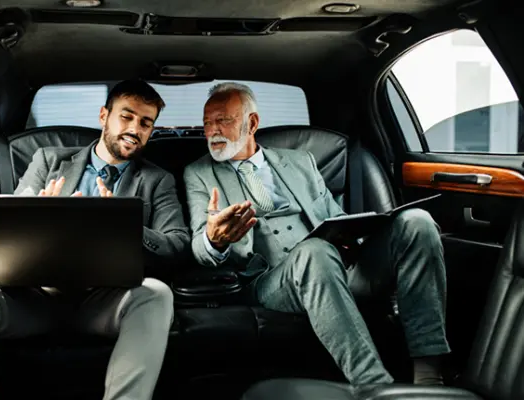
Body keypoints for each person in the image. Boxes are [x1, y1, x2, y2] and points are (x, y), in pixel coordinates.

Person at [183, 82, 450, 386]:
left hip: (337, 266)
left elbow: (335, 218)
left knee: (417, 222)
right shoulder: (199, 173)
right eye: (207, 122)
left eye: (223, 120)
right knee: (314, 251)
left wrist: (357, 234)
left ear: (252, 123)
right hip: (269, 281)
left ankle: (429, 376)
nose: (212, 131)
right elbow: (199, 244)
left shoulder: (300, 161)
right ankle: (375, 386)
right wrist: (215, 239)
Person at [0, 80, 190, 400]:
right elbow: (11, 229)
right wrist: (36, 213)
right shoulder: (48, 160)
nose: (135, 129)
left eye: (145, 122)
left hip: (104, 303)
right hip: (34, 299)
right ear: (103, 116)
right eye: (126, 117)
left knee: (157, 294)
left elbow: (177, 244)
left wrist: (122, 224)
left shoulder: (157, 180)